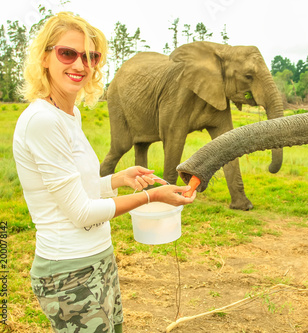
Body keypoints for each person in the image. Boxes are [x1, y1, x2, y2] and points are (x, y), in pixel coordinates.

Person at [12, 12, 196, 333]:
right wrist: (150, 197)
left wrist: (118, 179)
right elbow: (81, 212)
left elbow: (79, 189)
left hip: (98, 258)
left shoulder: (69, 115)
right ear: (44, 57)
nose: (80, 65)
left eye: (91, 56)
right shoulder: (42, 121)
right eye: (67, 53)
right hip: (68, 273)